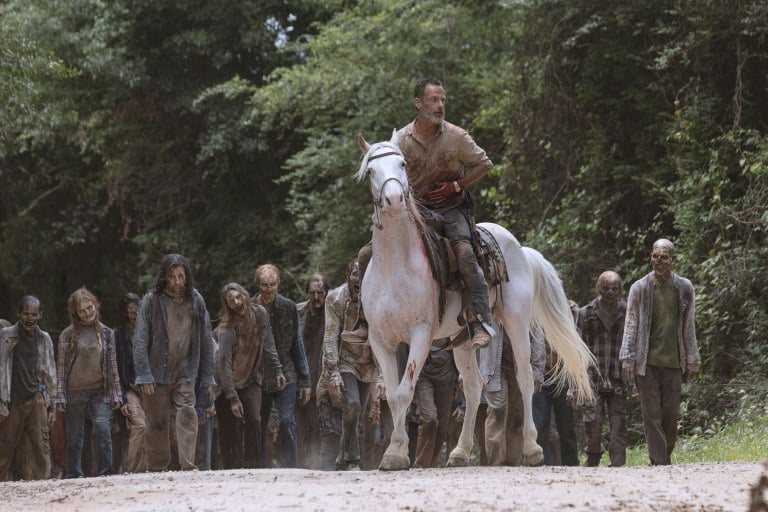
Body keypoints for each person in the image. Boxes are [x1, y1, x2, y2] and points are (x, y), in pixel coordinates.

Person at [395, 77, 494, 349]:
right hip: (416, 211)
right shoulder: (401, 140)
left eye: (443, 100)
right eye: (433, 100)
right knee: (371, 252)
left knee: (464, 253)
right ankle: (366, 319)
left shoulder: (457, 136)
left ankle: (480, 322)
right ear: (418, 103)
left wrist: (457, 185)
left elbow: (485, 163)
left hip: (451, 209)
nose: (440, 105)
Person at [620, 238, 700, 465]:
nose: (659, 261)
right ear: (651, 258)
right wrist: (628, 359)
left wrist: (693, 359)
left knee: (671, 414)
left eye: (664, 257)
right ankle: (659, 461)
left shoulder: (684, 287)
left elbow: (689, 325)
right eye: (655, 256)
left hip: (674, 361)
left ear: (672, 259)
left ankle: (665, 453)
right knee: (651, 414)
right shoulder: (640, 288)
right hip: (646, 362)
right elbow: (631, 323)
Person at [133, 253, 215, 472]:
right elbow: (140, 339)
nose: (177, 282)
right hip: (156, 372)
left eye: (181, 276)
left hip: (186, 370)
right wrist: (144, 374)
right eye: (172, 277)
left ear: (187, 276)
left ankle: (187, 464)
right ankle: (158, 466)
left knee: (187, 414)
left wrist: (208, 375)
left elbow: (206, 338)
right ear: (164, 277)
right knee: (157, 422)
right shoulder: (151, 301)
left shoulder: (196, 300)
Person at [322, 260, 384, 471]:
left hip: (368, 361)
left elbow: (384, 337)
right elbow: (330, 335)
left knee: (355, 414)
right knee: (353, 405)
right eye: (356, 274)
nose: (360, 278)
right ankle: (353, 459)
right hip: (345, 359)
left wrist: (382, 374)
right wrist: (333, 371)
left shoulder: (377, 296)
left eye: (364, 274)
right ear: (348, 276)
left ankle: (341, 459)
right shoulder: (335, 298)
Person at [215, 282, 285, 468]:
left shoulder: (260, 313)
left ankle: (253, 467)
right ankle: (230, 470)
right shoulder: (226, 329)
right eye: (231, 301)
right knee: (229, 429)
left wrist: (278, 369)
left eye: (239, 297)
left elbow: (268, 343)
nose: (237, 302)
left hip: (251, 379)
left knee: (255, 420)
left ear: (245, 295)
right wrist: (232, 398)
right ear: (227, 305)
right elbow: (223, 366)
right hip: (225, 384)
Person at [56, 287, 122, 478]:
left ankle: (105, 471)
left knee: (103, 430)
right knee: (75, 437)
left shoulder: (107, 333)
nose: (87, 313)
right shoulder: (68, 334)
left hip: (99, 391)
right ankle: (73, 474)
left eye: (90, 307)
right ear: (75, 313)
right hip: (74, 392)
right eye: (82, 311)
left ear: (96, 305)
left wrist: (116, 394)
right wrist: (60, 397)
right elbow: (61, 368)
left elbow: (112, 366)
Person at [254, 264, 311, 468]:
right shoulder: (251, 308)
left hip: (287, 371)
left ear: (278, 283)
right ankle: (261, 467)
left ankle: (291, 467)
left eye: (272, 284)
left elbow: (297, 343)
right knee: (261, 423)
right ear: (258, 285)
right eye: (264, 285)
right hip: (261, 374)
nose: (269, 289)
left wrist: (305, 380)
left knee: (287, 421)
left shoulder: (288, 307)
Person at [0, 296, 56, 481]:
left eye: (34, 314)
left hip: (36, 397)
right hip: (12, 400)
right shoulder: (5, 335)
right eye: (26, 314)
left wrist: (52, 406)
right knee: (5, 446)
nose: (29, 318)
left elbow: (50, 372)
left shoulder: (44, 338)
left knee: (41, 445)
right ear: (19, 314)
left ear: (40, 315)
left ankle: (43, 483)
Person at [578, 271, 628, 467]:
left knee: (619, 423)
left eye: (614, 289)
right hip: (593, 376)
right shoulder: (586, 313)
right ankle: (593, 462)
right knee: (592, 422)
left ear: (620, 290)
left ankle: (618, 463)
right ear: (599, 288)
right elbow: (580, 346)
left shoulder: (627, 312)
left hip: (619, 376)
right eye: (606, 288)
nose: (610, 293)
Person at [531, 300, 580, 466]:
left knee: (567, 427)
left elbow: (576, 347)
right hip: (541, 376)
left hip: (563, 376)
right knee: (540, 424)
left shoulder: (570, 310)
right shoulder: (535, 311)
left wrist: (574, 384)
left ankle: (571, 465)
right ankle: (540, 464)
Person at [296, 274, 331, 469]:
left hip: (321, 375)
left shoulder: (332, 314)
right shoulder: (298, 311)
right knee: (301, 426)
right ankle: (302, 466)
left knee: (318, 424)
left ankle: (318, 465)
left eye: (320, 292)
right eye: (312, 293)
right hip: (300, 375)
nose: (316, 297)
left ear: (326, 293)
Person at [113, 292, 146, 473]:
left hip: (151, 387)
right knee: (140, 425)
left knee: (156, 429)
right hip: (130, 388)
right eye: (130, 310)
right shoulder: (118, 335)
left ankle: (153, 469)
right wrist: (122, 399)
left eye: (136, 309)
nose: (134, 313)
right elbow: (116, 369)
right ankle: (136, 471)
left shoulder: (150, 331)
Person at [412, 337, 458, 468]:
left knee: (442, 426)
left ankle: (430, 464)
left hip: (447, 374)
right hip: (422, 373)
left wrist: (459, 377)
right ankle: (421, 464)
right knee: (430, 419)